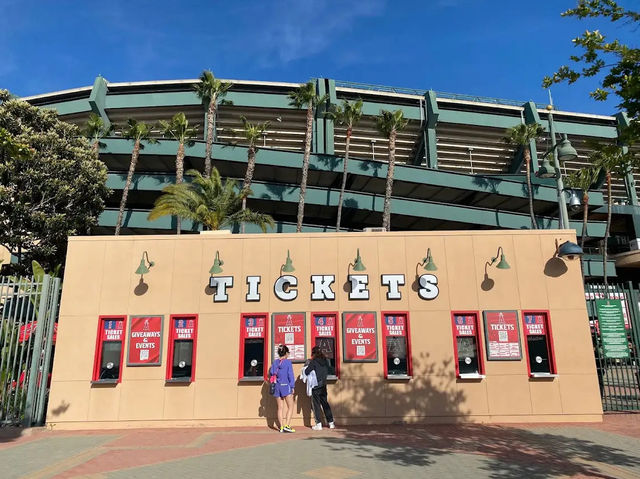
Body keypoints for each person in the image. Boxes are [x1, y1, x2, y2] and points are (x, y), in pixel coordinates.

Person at [304, 346, 335, 431]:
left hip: (316, 386)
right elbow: (329, 370)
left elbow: (306, 372)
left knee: (316, 405)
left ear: (313, 353)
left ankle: (318, 424)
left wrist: (307, 365)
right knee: (325, 403)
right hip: (323, 385)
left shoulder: (313, 362)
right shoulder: (325, 361)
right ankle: (331, 422)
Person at [269, 344, 296, 433]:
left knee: (280, 407)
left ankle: (281, 427)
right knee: (291, 406)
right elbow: (290, 375)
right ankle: (287, 426)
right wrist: (292, 386)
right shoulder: (288, 363)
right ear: (286, 353)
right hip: (286, 386)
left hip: (277, 386)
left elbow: (272, 372)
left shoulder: (275, 362)